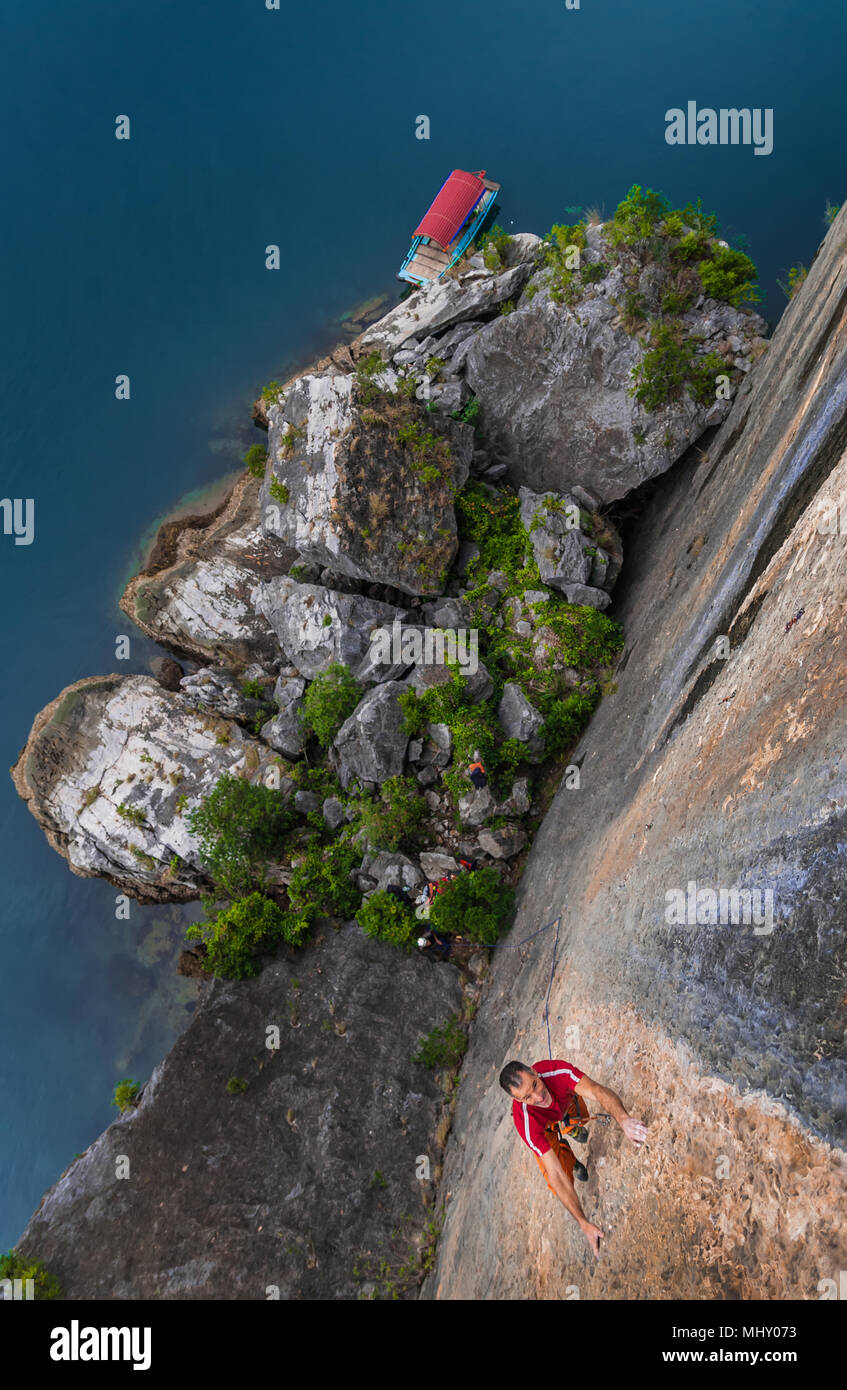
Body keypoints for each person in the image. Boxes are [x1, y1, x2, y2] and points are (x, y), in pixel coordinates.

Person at [499, 1058, 648, 1259]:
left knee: (579, 1115)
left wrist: (624, 1120)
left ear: (535, 1072)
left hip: (565, 1104)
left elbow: (596, 1090)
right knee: (561, 1173)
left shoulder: (556, 1072)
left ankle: (571, 1127)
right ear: (518, 1101)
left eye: (535, 1084)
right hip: (545, 1130)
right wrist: (583, 1222)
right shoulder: (525, 1122)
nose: (538, 1096)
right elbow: (555, 1174)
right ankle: (568, 1152)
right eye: (527, 1097)